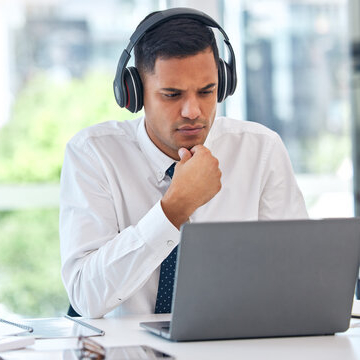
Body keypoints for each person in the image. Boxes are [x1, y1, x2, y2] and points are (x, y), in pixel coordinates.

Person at [59, 8, 308, 319]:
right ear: (134, 93)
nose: (193, 111)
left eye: (207, 91)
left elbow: (297, 280)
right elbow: (86, 297)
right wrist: (173, 210)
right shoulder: (93, 154)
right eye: (172, 95)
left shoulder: (261, 149)